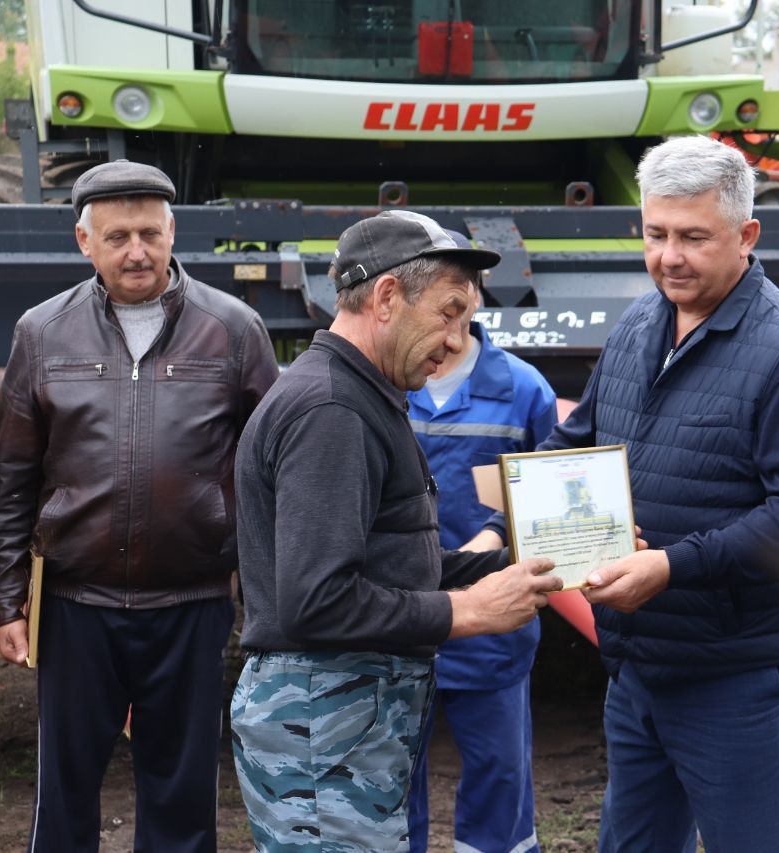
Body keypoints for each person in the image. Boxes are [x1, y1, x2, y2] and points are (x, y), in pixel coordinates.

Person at [471, 135, 779, 852]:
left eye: (693, 237)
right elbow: (578, 441)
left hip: (737, 673)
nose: (669, 256)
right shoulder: (642, 321)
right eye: (655, 234)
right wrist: (501, 528)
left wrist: (670, 566)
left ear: (746, 235)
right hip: (639, 666)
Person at [231, 210, 563, 851]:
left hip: (341, 727)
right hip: (320, 732)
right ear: (386, 297)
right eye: (448, 313)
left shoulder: (361, 395)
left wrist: (533, 564)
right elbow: (317, 600)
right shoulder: (332, 410)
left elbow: (397, 562)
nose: (456, 339)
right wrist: (464, 613)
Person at [0, 160, 279, 851]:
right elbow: (12, 473)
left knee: (181, 790)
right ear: (83, 241)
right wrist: (8, 598)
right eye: (118, 235)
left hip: (192, 600)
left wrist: (266, 594)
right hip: (76, 602)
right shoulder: (41, 332)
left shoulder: (235, 329)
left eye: (150, 233)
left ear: (172, 231)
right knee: (64, 789)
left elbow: (272, 470)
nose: (137, 250)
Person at [404, 281, 557, 853]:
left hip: (494, 623)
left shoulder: (522, 391)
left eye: (456, 298)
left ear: (475, 298)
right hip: (397, 621)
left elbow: (553, 499)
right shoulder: (381, 385)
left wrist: (498, 532)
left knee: (499, 774)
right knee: (390, 778)